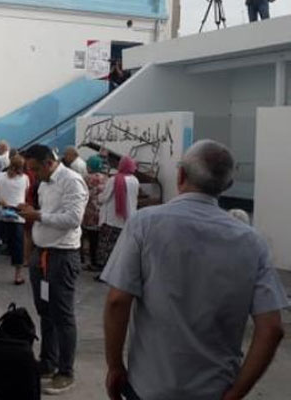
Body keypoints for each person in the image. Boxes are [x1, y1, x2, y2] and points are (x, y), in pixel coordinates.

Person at [101, 140, 289, 400]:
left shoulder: (144, 224)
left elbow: (117, 301)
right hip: (215, 390)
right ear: (228, 186)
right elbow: (272, 329)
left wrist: (114, 366)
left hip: (148, 387)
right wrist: (236, 394)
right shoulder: (253, 242)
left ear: (180, 175)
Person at [19, 144, 89, 394]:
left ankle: (65, 371)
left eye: (35, 169)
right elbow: (46, 214)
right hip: (42, 254)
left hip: (62, 256)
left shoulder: (72, 181)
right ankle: (48, 361)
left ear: (49, 162)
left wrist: (37, 216)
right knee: (45, 311)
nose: (33, 175)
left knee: (62, 314)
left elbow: (73, 219)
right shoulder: (45, 184)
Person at [0, 155, 29, 285]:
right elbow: (24, 196)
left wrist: (0, 200)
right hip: (17, 215)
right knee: (17, 246)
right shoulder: (25, 179)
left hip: (0, 214)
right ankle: (18, 276)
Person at [97, 156, 139, 271]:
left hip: (112, 218)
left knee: (107, 247)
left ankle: (104, 271)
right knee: (119, 248)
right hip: (127, 218)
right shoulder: (135, 180)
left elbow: (105, 197)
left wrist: (98, 196)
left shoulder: (115, 179)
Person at [81, 155, 108, 272]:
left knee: (92, 239)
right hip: (101, 211)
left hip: (90, 212)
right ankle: (99, 261)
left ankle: (93, 262)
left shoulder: (88, 178)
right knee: (99, 239)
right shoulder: (106, 178)